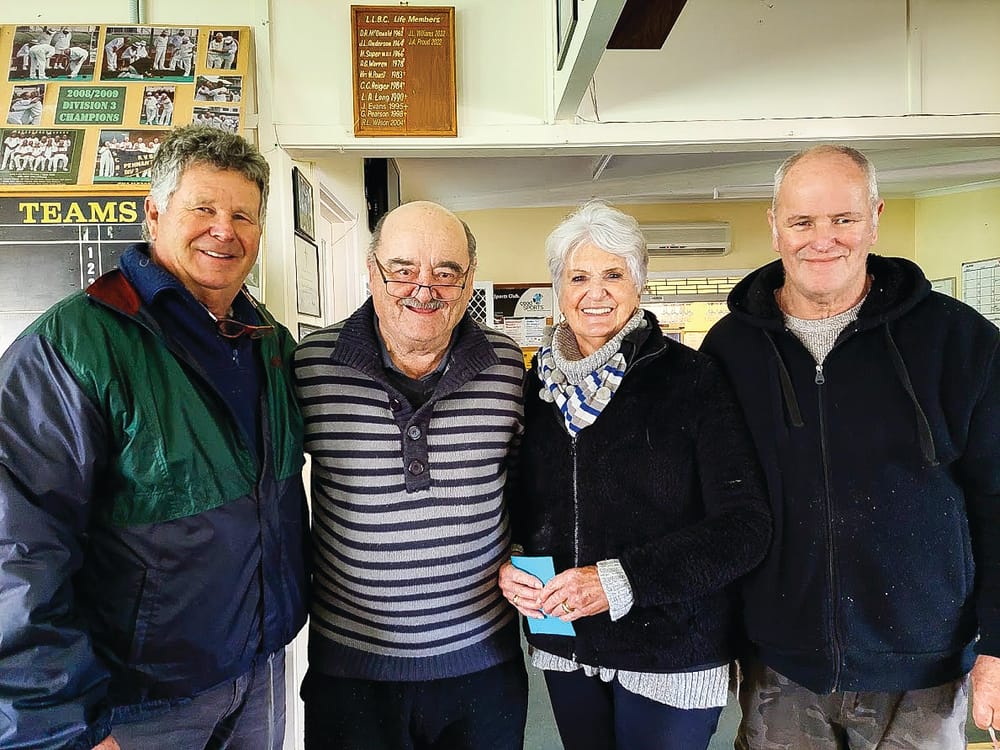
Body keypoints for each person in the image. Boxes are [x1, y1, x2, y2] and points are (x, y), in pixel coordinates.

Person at [0, 125, 309, 750]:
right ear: (155, 212)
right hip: (133, 704)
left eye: (243, 215)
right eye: (204, 208)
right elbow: (16, 548)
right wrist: (61, 724)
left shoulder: (268, 342)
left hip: (261, 672)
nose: (225, 229)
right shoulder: (75, 345)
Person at [700, 144, 1000, 749]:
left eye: (843, 219)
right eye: (803, 221)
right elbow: (715, 509)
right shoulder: (729, 350)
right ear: (774, 224)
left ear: (876, 216)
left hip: (925, 666)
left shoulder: (958, 339)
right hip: (780, 665)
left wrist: (998, 645)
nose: (823, 240)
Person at [497, 200, 771, 750]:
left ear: (640, 284)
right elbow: (524, 509)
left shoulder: (692, 380)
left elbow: (745, 527)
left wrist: (619, 581)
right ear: (557, 289)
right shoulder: (535, 388)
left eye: (613, 275)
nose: (595, 293)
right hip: (564, 641)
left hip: (670, 648)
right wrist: (509, 564)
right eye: (578, 276)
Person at [292, 200, 529, 750]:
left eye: (445, 272)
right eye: (402, 269)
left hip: (482, 661)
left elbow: (524, 485)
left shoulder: (504, 365)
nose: (424, 289)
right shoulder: (311, 364)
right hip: (353, 669)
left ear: (469, 281)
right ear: (371, 272)